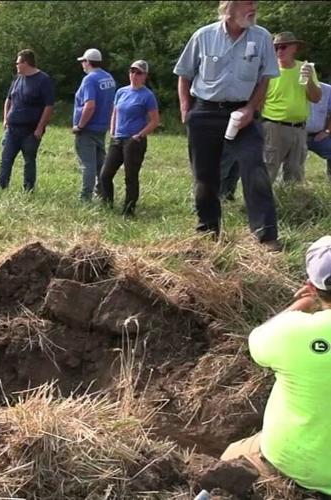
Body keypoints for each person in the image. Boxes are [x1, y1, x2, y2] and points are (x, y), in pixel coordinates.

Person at [221, 235, 331, 496]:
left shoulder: (290, 332)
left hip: (293, 462)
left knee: (230, 458)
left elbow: (256, 342)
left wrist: (301, 305)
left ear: (312, 287)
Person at [173, 0, 281, 251]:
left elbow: (265, 78)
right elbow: (184, 74)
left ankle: (266, 238)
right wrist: (185, 111)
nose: (252, 7)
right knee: (205, 176)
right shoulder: (204, 35)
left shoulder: (262, 37)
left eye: (254, 2)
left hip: (244, 111)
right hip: (205, 112)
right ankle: (207, 233)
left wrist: (251, 108)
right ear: (229, 7)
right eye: (246, 3)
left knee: (254, 168)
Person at [98, 60, 160, 217]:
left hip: (134, 141)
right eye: (132, 71)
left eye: (138, 72)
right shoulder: (121, 92)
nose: (134, 75)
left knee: (130, 176)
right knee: (105, 174)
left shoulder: (147, 96)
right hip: (117, 138)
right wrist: (112, 130)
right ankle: (107, 204)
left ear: (145, 76)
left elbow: (154, 121)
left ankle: (129, 210)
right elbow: (115, 111)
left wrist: (140, 135)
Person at [262, 32, 322, 184]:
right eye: (275, 48)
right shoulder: (267, 70)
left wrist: (309, 80)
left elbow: (316, 98)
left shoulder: (305, 68)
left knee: (295, 171)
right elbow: (259, 100)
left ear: (294, 48)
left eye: (283, 47)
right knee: (268, 169)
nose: (279, 51)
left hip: (299, 128)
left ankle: (291, 205)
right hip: (273, 126)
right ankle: (262, 205)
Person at [0, 49, 55, 192]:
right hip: (12, 129)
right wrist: (6, 119)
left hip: (30, 131)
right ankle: (1, 188)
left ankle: (28, 190)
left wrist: (40, 128)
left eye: (18, 63)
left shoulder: (43, 80)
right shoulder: (18, 78)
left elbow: (49, 106)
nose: (16, 65)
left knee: (29, 161)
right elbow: (8, 99)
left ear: (26, 63)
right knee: (5, 159)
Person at [73, 48, 116, 201]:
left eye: (83, 61)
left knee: (88, 165)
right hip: (102, 127)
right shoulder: (108, 78)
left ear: (88, 62)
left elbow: (89, 105)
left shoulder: (90, 79)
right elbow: (112, 104)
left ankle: (85, 197)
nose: (82, 65)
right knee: (100, 163)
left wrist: (80, 125)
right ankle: (104, 194)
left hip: (88, 128)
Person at [306, 80, 331, 180]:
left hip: (318, 135)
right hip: (295, 132)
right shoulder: (292, 86)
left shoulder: (328, 90)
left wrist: (327, 131)